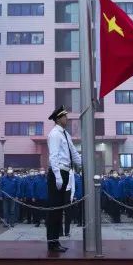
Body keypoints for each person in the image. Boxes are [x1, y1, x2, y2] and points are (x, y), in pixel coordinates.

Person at [45, 106, 82, 253]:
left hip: (65, 172)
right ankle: (52, 243)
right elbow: (53, 156)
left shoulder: (65, 134)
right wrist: (58, 176)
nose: (67, 118)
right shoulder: (55, 134)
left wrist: (83, 164)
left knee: (59, 210)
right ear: (58, 119)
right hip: (58, 172)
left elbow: (73, 152)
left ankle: (56, 241)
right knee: (54, 210)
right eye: (64, 116)